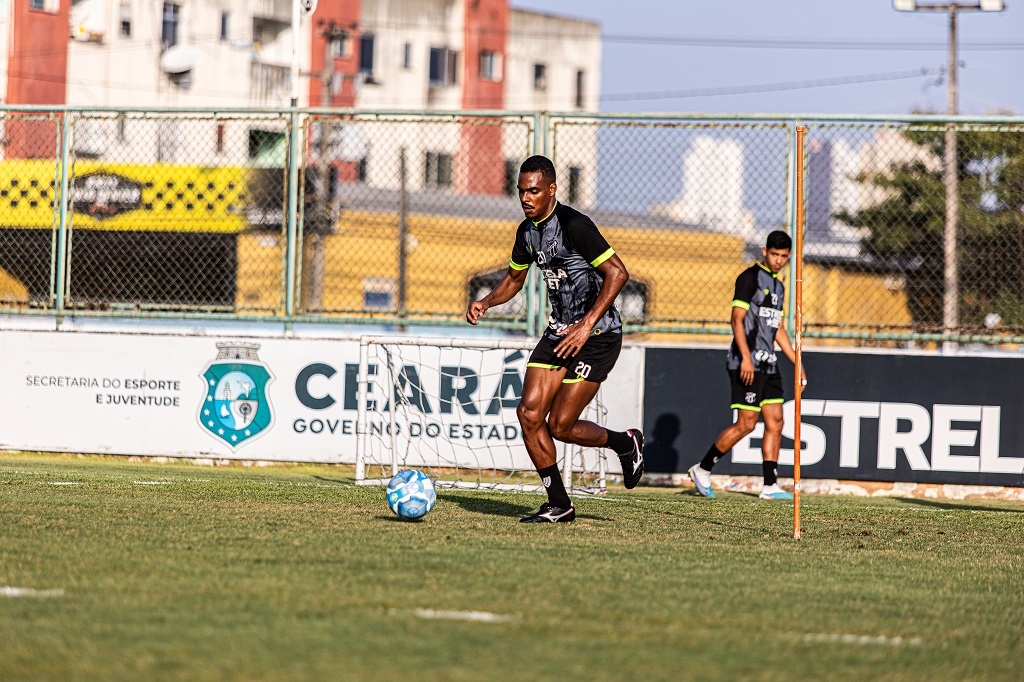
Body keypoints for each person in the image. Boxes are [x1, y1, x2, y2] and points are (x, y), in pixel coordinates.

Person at [466, 155, 644, 523]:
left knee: (561, 426)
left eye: (533, 191)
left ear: (551, 190)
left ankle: (626, 443)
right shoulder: (526, 232)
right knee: (529, 414)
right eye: (521, 192)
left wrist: (585, 326)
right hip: (559, 331)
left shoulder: (576, 225)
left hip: (598, 336)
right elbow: (515, 279)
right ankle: (559, 503)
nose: (526, 198)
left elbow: (618, 273)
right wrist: (486, 302)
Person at [688, 230, 806, 501]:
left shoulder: (780, 287)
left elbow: (778, 330)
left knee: (776, 421)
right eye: (774, 254)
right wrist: (746, 358)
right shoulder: (749, 278)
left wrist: (798, 363)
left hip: (769, 365)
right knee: (747, 424)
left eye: (784, 257)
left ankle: (769, 485)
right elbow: (736, 320)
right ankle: (703, 468)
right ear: (765, 251)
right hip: (746, 363)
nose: (778, 260)